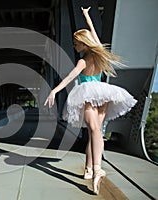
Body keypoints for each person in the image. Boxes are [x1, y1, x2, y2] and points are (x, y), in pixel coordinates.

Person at [44, 6, 137, 195]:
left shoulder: (82, 62)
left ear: (83, 44)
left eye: (76, 43)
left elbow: (70, 78)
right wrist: (86, 16)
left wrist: (54, 91)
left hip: (87, 94)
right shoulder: (100, 54)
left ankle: (97, 170)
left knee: (93, 131)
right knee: (96, 132)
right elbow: (94, 35)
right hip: (104, 95)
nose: (75, 46)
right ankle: (89, 168)